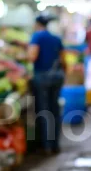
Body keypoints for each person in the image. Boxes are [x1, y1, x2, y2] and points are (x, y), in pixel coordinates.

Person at [28, 16, 65, 154]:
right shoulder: (56, 38)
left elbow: (32, 56)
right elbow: (63, 60)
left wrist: (25, 54)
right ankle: (55, 144)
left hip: (42, 78)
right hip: (57, 77)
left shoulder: (36, 37)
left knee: (44, 110)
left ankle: (46, 146)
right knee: (54, 110)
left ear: (37, 24)